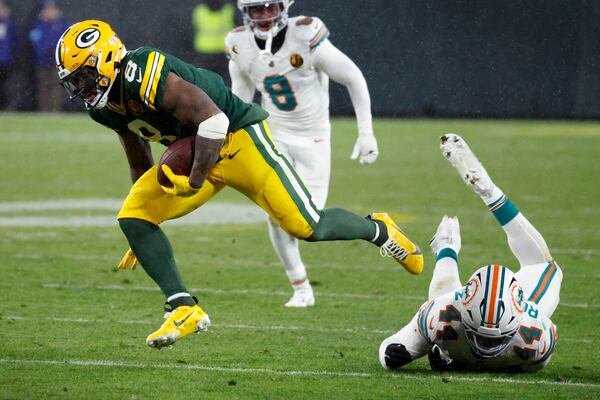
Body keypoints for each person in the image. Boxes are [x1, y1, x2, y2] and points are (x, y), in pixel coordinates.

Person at [55, 20, 423, 349]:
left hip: (237, 138)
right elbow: (138, 155)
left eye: (83, 76)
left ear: (106, 61)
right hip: (196, 151)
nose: (80, 88)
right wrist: (147, 223)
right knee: (132, 215)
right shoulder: (103, 106)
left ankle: (380, 230)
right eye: (74, 81)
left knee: (307, 225)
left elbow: (213, 122)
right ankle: (185, 310)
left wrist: (195, 180)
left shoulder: (146, 72)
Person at [225, 0, 379, 307]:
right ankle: (301, 287)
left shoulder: (306, 34)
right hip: (274, 133)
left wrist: (366, 132)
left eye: (270, 8)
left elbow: (353, 77)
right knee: (275, 214)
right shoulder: (238, 42)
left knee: (308, 223)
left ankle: (376, 229)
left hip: (314, 139)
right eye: (257, 10)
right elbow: (240, 95)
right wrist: (227, 137)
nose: (264, 16)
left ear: (284, 7)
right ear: (246, 12)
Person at [379, 134, 562, 372]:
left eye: (494, 339)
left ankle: (451, 239)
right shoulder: (446, 312)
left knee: (546, 269)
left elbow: (533, 365)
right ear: (463, 306)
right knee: (545, 268)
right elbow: (396, 344)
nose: (487, 345)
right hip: (456, 324)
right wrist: (394, 353)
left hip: (461, 334)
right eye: (484, 337)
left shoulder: (536, 332)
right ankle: (456, 234)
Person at [30, 0, 68, 111]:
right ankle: (44, 110)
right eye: (47, 9)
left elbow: (65, 41)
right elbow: (34, 40)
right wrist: (44, 51)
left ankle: (55, 110)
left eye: (52, 9)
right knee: (43, 87)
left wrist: (55, 53)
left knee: (56, 87)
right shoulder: (38, 24)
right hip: (41, 61)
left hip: (57, 62)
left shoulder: (61, 24)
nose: (50, 12)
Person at [191, 0, 235, 84]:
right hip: (213, 52)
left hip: (213, 52)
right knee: (222, 81)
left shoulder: (199, 10)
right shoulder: (229, 10)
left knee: (205, 82)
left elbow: (194, 26)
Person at [0, 0, 17, 110]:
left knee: (8, 87)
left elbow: (15, 40)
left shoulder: (10, 23)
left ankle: (8, 108)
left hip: (7, 61)